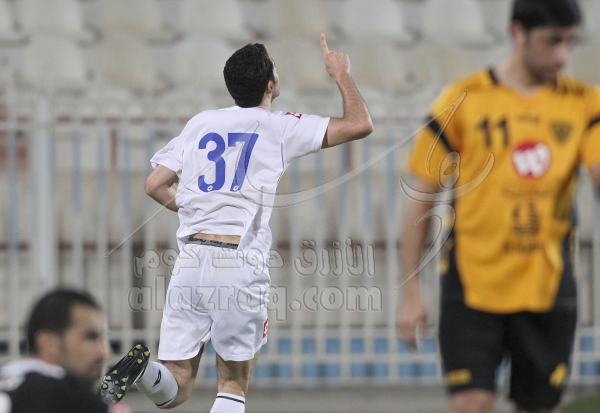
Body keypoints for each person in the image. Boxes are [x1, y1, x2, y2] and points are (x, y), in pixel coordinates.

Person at [100, 33, 373, 412]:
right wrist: (341, 73)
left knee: (177, 385)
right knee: (232, 383)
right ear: (269, 85)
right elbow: (360, 124)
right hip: (238, 261)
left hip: (191, 262)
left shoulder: (201, 123)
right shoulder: (278, 126)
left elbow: (154, 185)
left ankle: (144, 371)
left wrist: (196, 209)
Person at [397, 0, 600, 412]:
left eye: (570, 42)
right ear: (518, 33)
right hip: (472, 288)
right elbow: (421, 198)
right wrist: (410, 291)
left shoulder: (584, 104)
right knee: (470, 404)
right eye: (552, 41)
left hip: (547, 288)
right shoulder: (463, 100)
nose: (563, 55)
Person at [0, 289, 125, 413]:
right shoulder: (71, 397)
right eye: (90, 337)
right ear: (48, 342)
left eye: (103, 339)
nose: (104, 353)